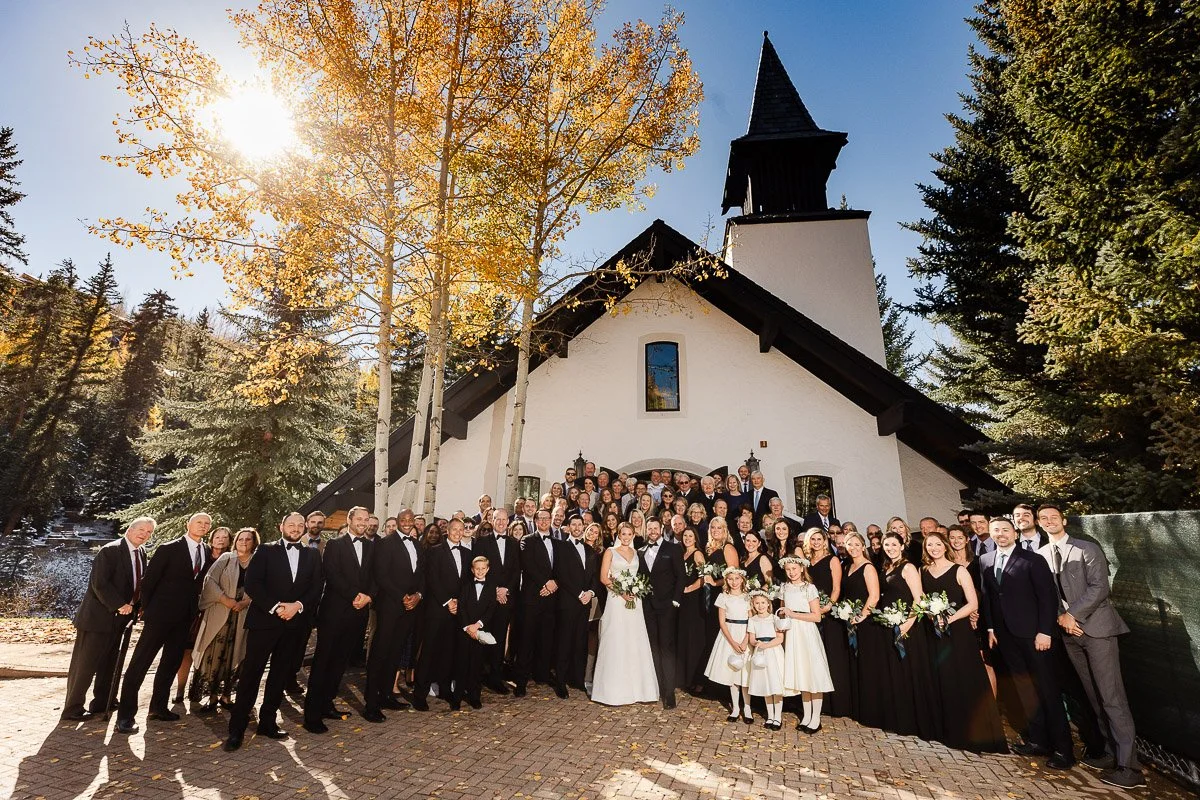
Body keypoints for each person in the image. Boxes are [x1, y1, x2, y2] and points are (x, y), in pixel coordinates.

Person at [1037, 504, 1143, 788]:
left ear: (1064, 521)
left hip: (1097, 631)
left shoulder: (1086, 548)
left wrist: (1073, 615)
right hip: (1069, 633)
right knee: (1094, 696)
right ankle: (1110, 754)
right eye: (1043, 518)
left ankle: (1129, 767)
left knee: (1112, 698)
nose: (1049, 521)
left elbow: (1100, 588)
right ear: (1039, 524)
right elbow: (1046, 594)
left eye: (1053, 517)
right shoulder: (1042, 555)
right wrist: (1063, 619)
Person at [980, 517, 1074, 770]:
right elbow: (988, 597)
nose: (1000, 534)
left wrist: (1045, 631)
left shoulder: (1033, 559)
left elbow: (1047, 598)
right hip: (1005, 637)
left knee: (1047, 690)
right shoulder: (986, 561)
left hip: (1034, 636)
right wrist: (990, 628)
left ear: (1015, 533)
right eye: (995, 531)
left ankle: (1063, 750)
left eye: (1005, 530)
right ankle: (1038, 741)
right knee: (1025, 690)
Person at [224, 512, 323, 751]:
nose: (296, 528)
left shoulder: (312, 554)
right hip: (265, 622)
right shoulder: (266, 551)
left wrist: (297, 607)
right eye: (292, 524)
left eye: (300, 525)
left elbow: (316, 587)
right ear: (282, 527)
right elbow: (253, 584)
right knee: (251, 675)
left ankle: (267, 722)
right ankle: (236, 730)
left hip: (294, 624)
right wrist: (276, 607)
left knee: (279, 675)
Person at [116, 512, 213, 734]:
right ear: (188, 524)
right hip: (159, 616)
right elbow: (148, 581)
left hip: (184, 618)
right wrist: (147, 611)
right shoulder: (168, 548)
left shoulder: (205, 551)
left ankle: (158, 707)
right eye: (199, 522)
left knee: (170, 663)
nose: (203, 526)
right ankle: (125, 716)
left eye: (207, 523)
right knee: (140, 663)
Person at [920, 530, 1006, 753]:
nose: (934, 548)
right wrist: (932, 615)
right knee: (942, 679)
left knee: (963, 678)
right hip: (934, 632)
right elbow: (922, 601)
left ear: (945, 546)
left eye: (937, 544)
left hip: (958, 631)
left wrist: (949, 618)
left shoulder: (959, 571)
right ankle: (945, 729)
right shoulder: (924, 571)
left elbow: (972, 603)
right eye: (929, 545)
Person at [61, 517, 152, 721]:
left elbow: (136, 584)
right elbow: (99, 583)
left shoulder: (141, 553)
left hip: (121, 620)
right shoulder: (110, 550)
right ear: (129, 529)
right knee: (85, 665)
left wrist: (137, 606)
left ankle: (102, 702)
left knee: (110, 664)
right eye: (141, 529)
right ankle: (72, 708)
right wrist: (120, 604)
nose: (144, 534)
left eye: (148, 532)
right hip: (97, 618)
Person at [303, 506, 375, 732]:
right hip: (334, 613)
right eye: (359, 519)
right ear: (350, 520)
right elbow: (332, 575)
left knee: (340, 663)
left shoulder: (373, 547)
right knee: (323, 662)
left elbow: (378, 576)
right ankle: (312, 715)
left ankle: (327, 704)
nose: (363, 522)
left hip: (358, 613)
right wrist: (355, 595)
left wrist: (368, 596)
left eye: (366, 519)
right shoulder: (335, 545)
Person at [877, 530, 941, 741]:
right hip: (891, 624)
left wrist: (908, 623)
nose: (890, 548)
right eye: (887, 545)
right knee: (897, 673)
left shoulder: (908, 567)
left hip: (908, 627)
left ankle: (916, 722)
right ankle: (900, 719)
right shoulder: (888, 566)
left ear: (902, 546)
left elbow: (919, 598)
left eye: (894, 545)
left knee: (911, 672)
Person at [362, 507, 423, 722]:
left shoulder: (417, 544)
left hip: (409, 609)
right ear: (397, 522)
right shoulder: (385, 543)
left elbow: (422, 574)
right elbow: (381, 575)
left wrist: (417, 595)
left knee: (395, 653)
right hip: (390, 607)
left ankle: (387, 695)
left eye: (410, 519)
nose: (407, 522)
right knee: (380, 653)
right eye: (403, 519)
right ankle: (371, 704)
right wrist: (402, 597)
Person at [591, 522, 659, 706]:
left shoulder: (637, 553)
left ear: (633, 535)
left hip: (634, 601)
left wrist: (637, 590)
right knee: (616, 639)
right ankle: (613, 691)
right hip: (616, 599)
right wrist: (621, 592)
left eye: (629, 534)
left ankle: (637, 689)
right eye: (623, 534)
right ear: (619, 535)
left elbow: (640, 576)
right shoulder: (610, 552)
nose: (626, 537)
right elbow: (604, 577)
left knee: (634, 640)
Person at [192, 527, 258, 713]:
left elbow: (264, 584)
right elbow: (210, 580)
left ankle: (226, 696)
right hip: (221, 612)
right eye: (240, 539)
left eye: (248, 539)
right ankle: (211, 697)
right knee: (215, 654)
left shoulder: (258, 561)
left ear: (254, 542)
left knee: (236, 654)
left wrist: (246, 602)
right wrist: (225, 600)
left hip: (243, 615)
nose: (244, 542)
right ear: (235, 541)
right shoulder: (226, 558)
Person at [412, 517, 470, 711]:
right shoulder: (434, 552)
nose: (458, 532)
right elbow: (432, 579)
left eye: (461, 529)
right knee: (429, 652)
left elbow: (467, 583)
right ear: (448, 531)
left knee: (449, 652)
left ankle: (444, 688)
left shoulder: (468, 553)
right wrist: (448, 601)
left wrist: (459, 603)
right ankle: (419, 694)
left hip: (457, 611)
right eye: (455, 529)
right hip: (437, 609)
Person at [776, 556, 833, 732]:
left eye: (794, 569)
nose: (791, 572)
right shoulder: (784, 588)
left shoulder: (809, 588)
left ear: (801, 569)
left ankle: (816, 717)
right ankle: (806, 715)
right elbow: (782, 610)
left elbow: (816, 616)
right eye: (788, 570)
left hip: (806, 632)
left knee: (812, 673)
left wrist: (793, 614)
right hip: (792, 634)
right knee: (801, 673)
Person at [175, 526, 230, 703]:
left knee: (211, 653)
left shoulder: (231, 560)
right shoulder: (202, 555)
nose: (220, 540)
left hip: (217, 611)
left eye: (224, 537)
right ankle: (180, 690)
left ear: (229, 541)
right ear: (211, 538)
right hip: (194, 611)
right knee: (187, 651)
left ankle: (204, 691)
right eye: (217, 536)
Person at [637, 519, 686, 709]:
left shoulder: (673, 549)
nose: (652, 531)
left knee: (666, 647)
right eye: (649, 528)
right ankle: (656, 686)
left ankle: (669, 691)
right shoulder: (640, 551)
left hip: (667, 606)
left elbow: (681, 576)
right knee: (653, 647)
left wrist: (675, 600)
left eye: (655, 528)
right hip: (647, 606)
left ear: (661, 530)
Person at [804, 528, 852, 718]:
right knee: (814, 659)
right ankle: (816, 702)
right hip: (811, 615)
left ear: (825, 541)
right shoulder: (807, 562)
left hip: (829, 615)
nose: (816, 542)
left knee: (831, 657)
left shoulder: (832, 560)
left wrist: (827, 607)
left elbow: (836, 588)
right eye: (813, 539)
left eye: (819, 539)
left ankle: (835, 704)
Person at [843, 530, 887, 730]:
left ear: (863, 546)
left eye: (856, 544)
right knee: (855, 663)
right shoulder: (848, 566)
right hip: (851, 620)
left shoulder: (868, 567)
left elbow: (874, 596)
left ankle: (873, 712)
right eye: (849, 544)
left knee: (868, 665)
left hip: (867, 623)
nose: (852, 547)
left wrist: (861, 615)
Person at [551, 517, 599, 698]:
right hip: (568, 602)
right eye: (574, 525)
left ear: (584, 527)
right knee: (564, 642)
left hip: (585, 603)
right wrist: (579, 593)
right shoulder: (561, 547)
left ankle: (577, 679)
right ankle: (561, 682)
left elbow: (594, 576)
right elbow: (561, 574)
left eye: (580, 525)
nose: (577, 528)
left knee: (580, 642)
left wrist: (591, 593)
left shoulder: (589, 549)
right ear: (569, 527)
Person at [474, 508, 518, 694]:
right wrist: (495, 590)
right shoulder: (482, 542)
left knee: (499, 639)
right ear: (491, 521)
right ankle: (477, 676)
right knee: (483, 638)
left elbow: (516, 570)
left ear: (508, 522)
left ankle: (495, 677)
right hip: (487, 599)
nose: (500, 522)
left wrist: (505, 590)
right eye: (497, 519)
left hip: (505, 599)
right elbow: (480, 568)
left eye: (503, 519)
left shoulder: (514, 543)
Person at [514, 509, 558, 696]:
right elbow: (528, 564)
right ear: (536, 520)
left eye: (547, 518)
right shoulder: (527, 540)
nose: (544, 521)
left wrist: (555, 583)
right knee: (527, 639)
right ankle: (521, 681)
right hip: (532, 597)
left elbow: (562, 566)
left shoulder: (558, 542)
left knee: (546, 638)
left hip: (551, 598)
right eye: (541, 518)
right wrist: (545, 583)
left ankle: (542, 674)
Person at [704, 569, 752, 723]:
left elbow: (752, 620)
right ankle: (736, 708)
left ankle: (748, 708)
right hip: (729, 635)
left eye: (737, 578)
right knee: (732, 674)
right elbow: (722, 622)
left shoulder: (748, 597)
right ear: (726, 581)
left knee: (745, 674)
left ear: (742, 580)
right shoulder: (723, 597)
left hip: (745, 633)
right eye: (730, 579)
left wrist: (745, 640)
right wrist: (732, 642)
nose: (734, 582)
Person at [458, 556, 499, 709]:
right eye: (477, 569)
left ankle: (475, 696)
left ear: (487, 569)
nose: (480, 571)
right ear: (472, 570)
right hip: (465, 631)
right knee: (462, 664)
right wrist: (467, 627)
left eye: (483, 569)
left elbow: (491, 609)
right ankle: (457, 696)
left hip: (480, 630)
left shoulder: (490, 587)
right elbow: (461, 608)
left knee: (476, 665)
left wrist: (478, 625)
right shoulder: (465, 585)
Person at [745, 589, 786, 730]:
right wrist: (757, 644)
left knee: (775, 685)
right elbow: (751, 638)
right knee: (766, 686)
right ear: (753, 605)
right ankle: (770, 716)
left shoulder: (774, 619)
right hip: (760, 653)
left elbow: (780, 638)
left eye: (763, 603)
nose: (760, 606)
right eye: (757, 603)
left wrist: (767, 645)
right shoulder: (753, 620)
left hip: (773, 653)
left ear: (768, 604)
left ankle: (778, 717)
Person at [676, 527, 708, 696]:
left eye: (690, 536)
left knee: (694, 638)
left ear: (695, 538)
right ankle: (685, 678)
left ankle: (697, 680)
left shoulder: (697, 554)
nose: (687, 538)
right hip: (682, 601)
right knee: (684, 637)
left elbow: (704, 577)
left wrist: (690, 588)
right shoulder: (682, 554)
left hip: (694, 600)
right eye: (685, 536)